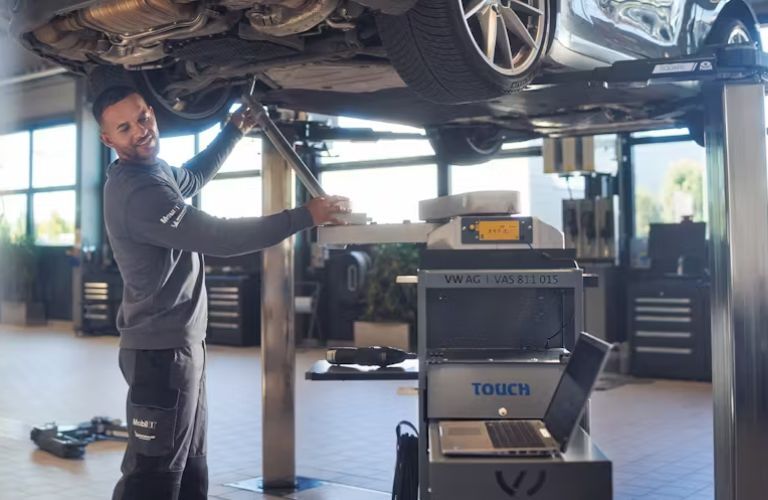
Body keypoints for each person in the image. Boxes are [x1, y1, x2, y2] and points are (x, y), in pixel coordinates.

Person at [95, 86, 347, 500]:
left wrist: (233, 130)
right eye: (125, 128)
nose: (141, 130)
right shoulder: (138, 193)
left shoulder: (153, 172)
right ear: (109, 140)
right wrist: (304, 216)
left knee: (191, 469)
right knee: (153, 477)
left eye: (143, 117)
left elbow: (191, 177)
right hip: (160, 356)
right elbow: (218, 236)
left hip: (181, 349)